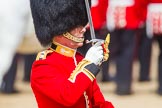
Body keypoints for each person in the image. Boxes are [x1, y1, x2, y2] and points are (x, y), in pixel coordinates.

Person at [30, 0, 114, 108]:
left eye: (82, 24)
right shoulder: (43, 66)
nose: (83, 29)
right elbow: (67, 96)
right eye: (75, 26)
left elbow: (99, 103)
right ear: (60, 31)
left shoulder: (80, 60)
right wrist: (89, 64)